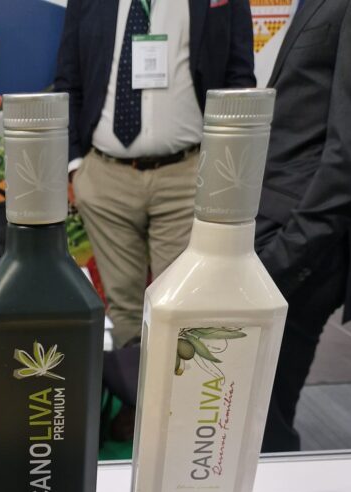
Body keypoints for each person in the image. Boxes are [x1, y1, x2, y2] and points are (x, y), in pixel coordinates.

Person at [55, 0, 255, 351]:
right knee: (125, 314)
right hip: (106, 179)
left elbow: (239, 78)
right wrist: (74, 166)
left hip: (188, 178)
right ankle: (133, 385)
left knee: (180, 311)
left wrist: (227, 171)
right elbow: (68, 80)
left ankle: (172, 387)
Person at [256, 0, 351, 452]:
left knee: (261, 424)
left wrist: (287, 255)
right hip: (277, 231)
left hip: (300, 246)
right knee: (242, 413)